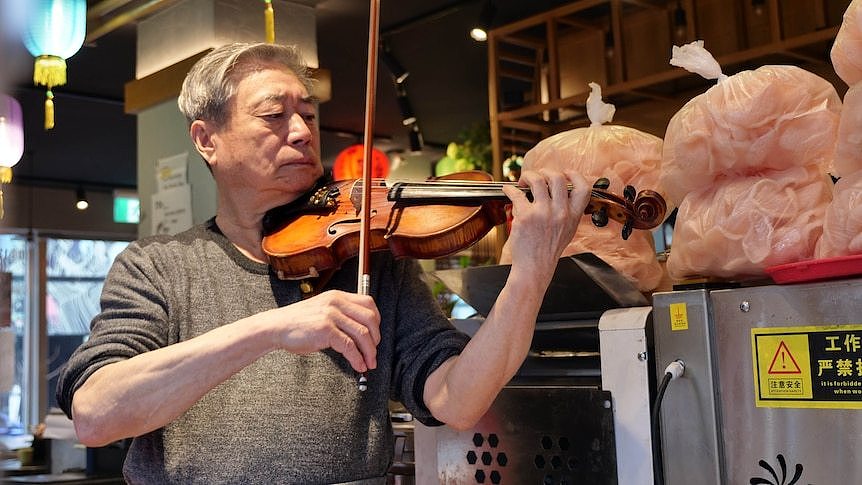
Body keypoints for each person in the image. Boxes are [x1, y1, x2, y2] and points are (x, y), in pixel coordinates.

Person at [56, 42, 590, 484]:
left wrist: (532, 271)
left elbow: (458, 399)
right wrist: (271, 329)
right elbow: (97, 414)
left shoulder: (371, 258)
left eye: (308, 115)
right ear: (207, 139)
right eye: (273, 115)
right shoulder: (158, 266)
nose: (302, 131)